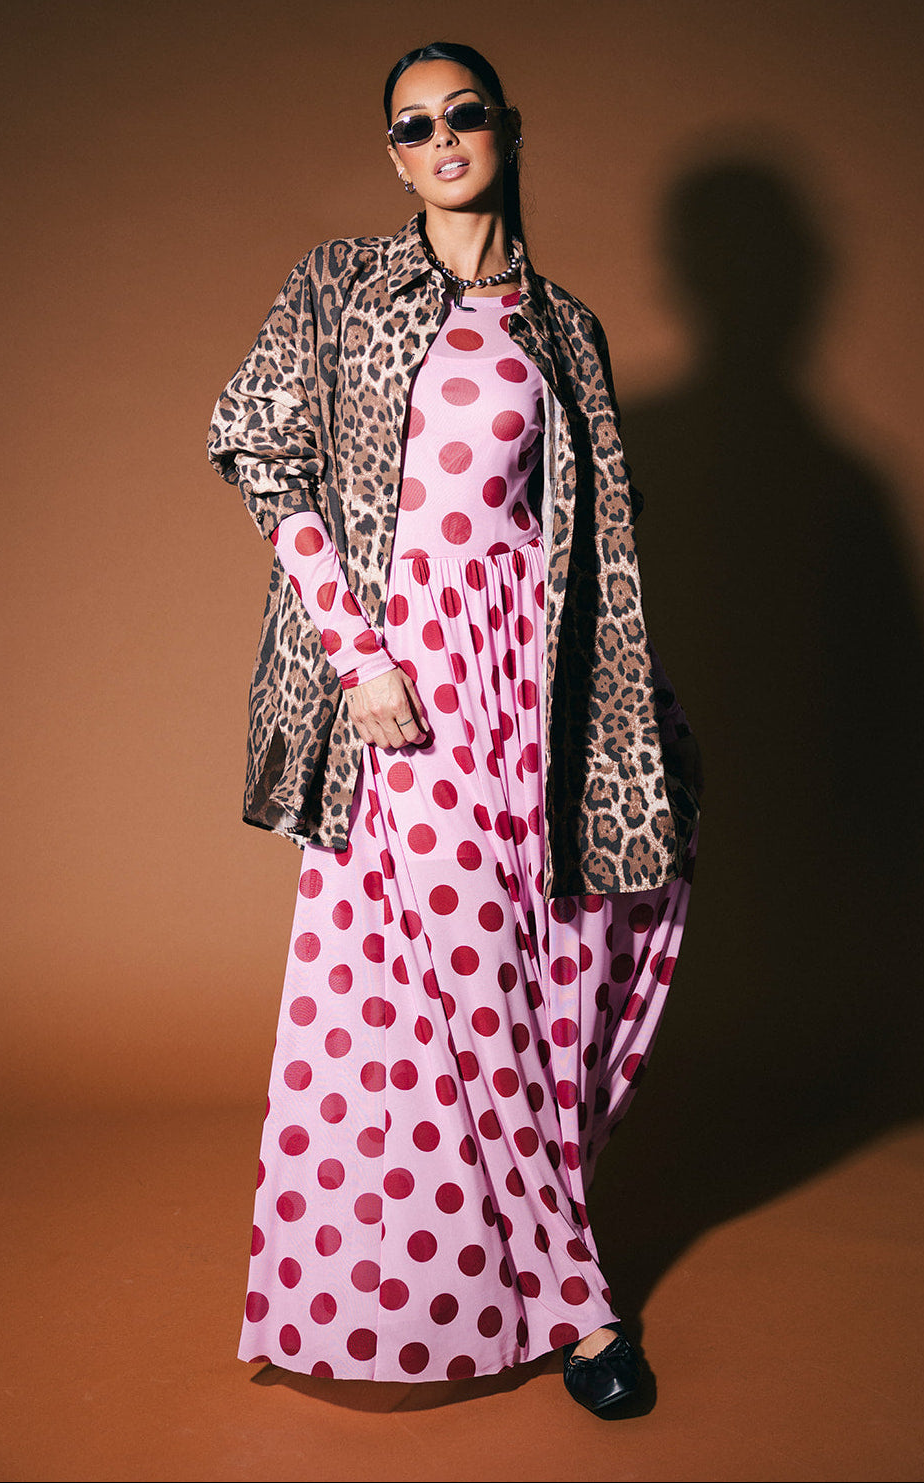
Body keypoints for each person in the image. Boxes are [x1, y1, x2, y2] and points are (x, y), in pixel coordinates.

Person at [207, 40, 700, 1416]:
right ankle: (583, 1314)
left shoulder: (565, 330)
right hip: (402, 681)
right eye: (411, 125)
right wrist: (354, 651)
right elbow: (261, 448)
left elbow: (598, 545)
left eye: (460, 115)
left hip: (526, 687)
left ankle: (491, 1275)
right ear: (392, 153)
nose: (438, 139)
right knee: (458, 976)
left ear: (504, 129)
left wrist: (639, 717)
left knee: (549, 973)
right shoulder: (341, 286)